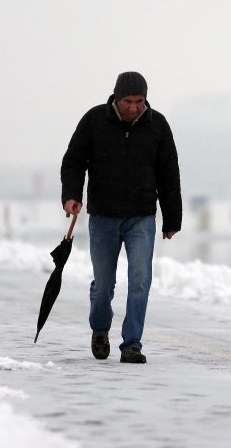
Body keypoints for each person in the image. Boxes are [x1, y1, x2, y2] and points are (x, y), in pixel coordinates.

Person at [61, 71, 182, 364]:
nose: (133, 107)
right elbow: (74, 161)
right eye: (128, 101)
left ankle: (132, 344)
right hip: (103, 215)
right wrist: (72, 194)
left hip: (141, 216)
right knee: (104, 283)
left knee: (140, 280)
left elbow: (169, 173)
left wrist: (172, 218)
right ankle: (100, 330)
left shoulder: (158, 125)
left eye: (139, 101)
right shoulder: (94, 121)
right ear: (116, 97)